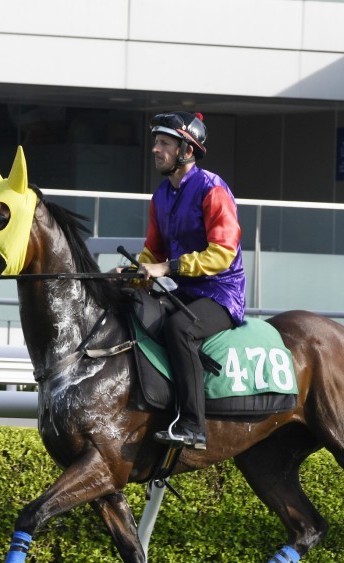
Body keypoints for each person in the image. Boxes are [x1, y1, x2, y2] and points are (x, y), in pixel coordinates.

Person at [135, 111, 246, 450]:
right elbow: (152, 253)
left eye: (164, 143)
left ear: (187, 150)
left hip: (222, 294)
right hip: (186, 290)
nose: (156, 149)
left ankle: (194, 425)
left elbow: (222, 253)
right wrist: (131, 273)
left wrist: (167, 269)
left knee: (179, 328)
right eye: (156, 142)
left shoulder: (212, 189)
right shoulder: (161, 195)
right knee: (137, 309)